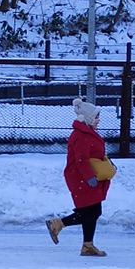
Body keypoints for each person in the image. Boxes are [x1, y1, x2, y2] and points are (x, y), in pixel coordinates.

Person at [45, 97, 111, 257]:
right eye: (96, 117)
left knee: (92, 211)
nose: (98, 120)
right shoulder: (81, 135)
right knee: (91, 211)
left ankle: (87, 245)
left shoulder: (87, 132)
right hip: (81, 178)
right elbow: (81, 159)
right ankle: (58, 224)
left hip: (87, 177)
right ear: (88, 118)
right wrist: (89, 177)